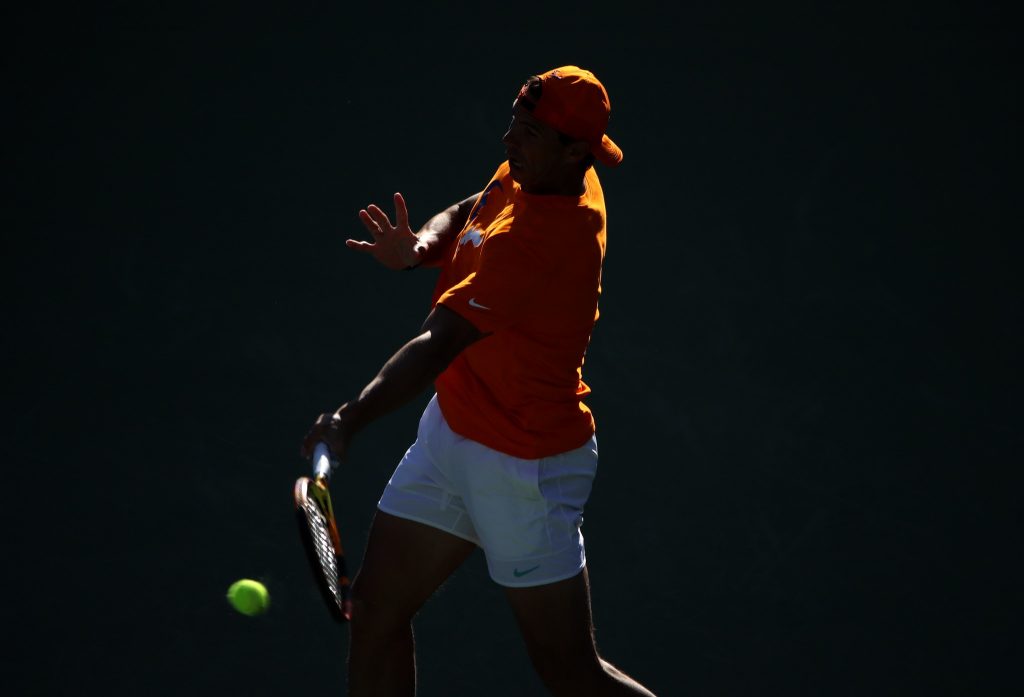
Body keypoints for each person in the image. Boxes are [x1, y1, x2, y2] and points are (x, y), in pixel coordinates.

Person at [302, 66, 656, 697]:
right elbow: (473, 207)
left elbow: (438, 343)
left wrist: (348, 417)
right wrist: (422, 246)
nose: (507, 141)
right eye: (514, 123)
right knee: (377, 612)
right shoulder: (540, 168)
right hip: (455, 432)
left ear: (575, 151)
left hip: (525, 469)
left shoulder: (543, 243)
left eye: (526, 132)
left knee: (569, 671)